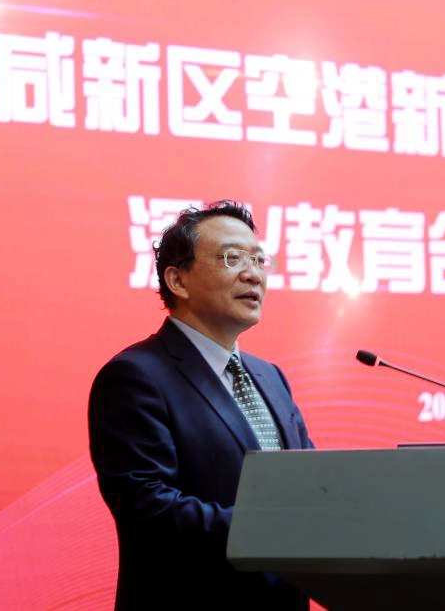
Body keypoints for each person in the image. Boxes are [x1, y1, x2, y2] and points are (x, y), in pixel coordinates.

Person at [88, 200, 313, 610]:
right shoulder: (136, 377)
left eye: (259, 260)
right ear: (178, 280)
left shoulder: (271, 378)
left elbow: (311, 484)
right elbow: (147, 506)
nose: (253, 274)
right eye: (232, 258)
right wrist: (270, 526)